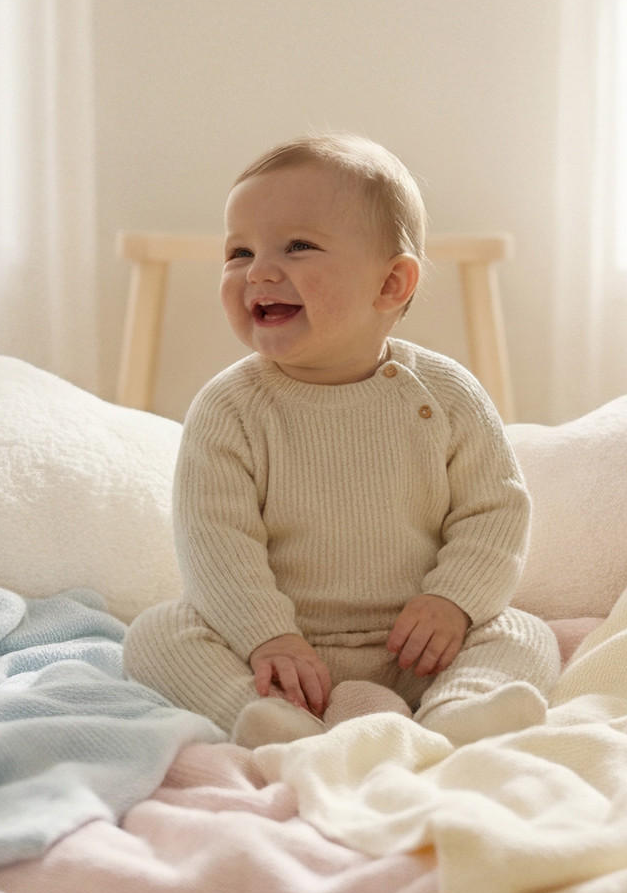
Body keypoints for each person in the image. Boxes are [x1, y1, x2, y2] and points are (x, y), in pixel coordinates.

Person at [122, 134, 560, 749]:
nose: (260, 271)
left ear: (390, 285)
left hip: (420, 646)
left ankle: (459, 713)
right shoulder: (230, 408)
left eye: (298, 246)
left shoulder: (447, 394)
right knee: (157, 633)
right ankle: (260, 717)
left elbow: (496, 511)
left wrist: (453, 602)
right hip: (282, 660)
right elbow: (215, 542)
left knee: (521, 632)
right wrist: (265, 637)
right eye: (239, 252)